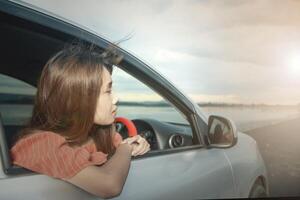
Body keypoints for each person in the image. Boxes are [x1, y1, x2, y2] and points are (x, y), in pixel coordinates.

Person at [10, 42, 150, 198]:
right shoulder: (39, 145)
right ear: (78, 99)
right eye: (108, 90)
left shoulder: (100, 134)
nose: (116, 98)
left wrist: (135, 144)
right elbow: (109, 185)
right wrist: (126, 148)